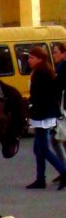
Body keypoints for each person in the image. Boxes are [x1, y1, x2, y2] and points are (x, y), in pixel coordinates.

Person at [25, 46, 66, 190]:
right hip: (43, 114)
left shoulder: (41, 72)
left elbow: (40, 95)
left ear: (40, 59)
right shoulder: (42, 71)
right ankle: (40, 179)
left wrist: (31, 107)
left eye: (32, 58)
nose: (29, 60)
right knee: (38, 148)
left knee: (43, 148)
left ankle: (64, 172)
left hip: (43, 115)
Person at [52, 42, 66, 174]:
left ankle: (64, 170)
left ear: (63, 53)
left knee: (57, 139)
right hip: (61, 106)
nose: (54, 55)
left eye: (56, 52)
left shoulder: (63, 67)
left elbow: (58, 87)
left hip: (63, 107)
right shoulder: (59, 67)